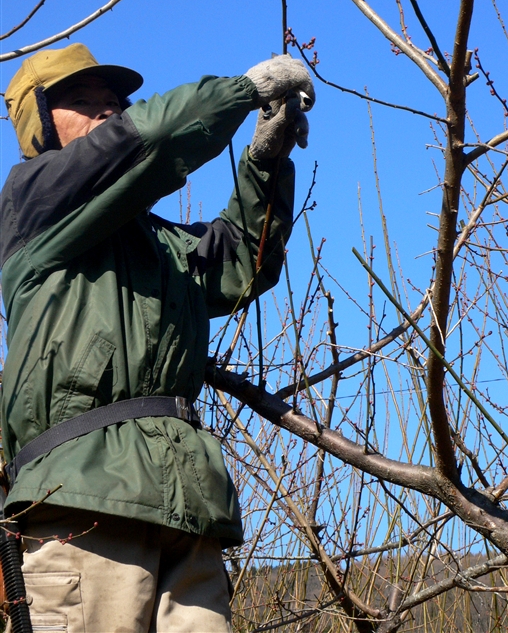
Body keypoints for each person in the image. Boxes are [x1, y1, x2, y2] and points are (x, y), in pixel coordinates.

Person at [0, 43, 315, 632]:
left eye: (115, 103)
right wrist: (244, 92)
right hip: (80, 502)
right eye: (82, 103)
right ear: (38, 126)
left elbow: (243, 264)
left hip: (186, 505)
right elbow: (149, 141)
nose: (106, 114)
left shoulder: (160, 244)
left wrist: (264, 161)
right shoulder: (31, 201)